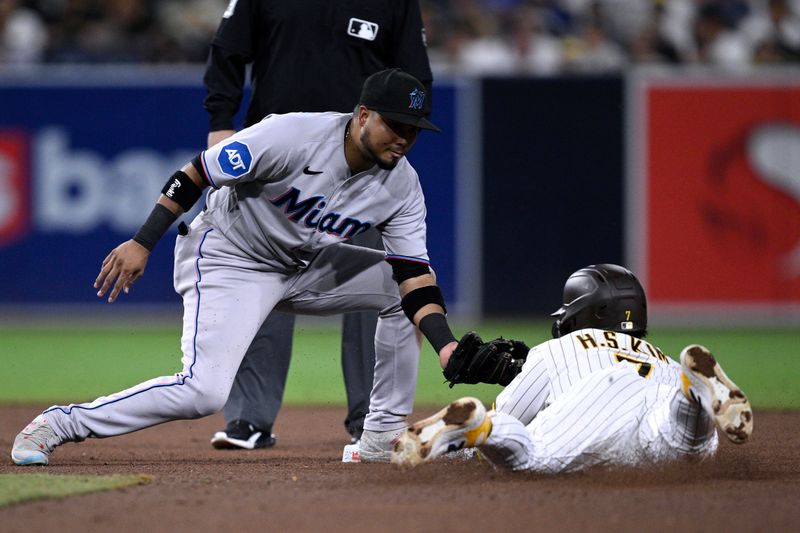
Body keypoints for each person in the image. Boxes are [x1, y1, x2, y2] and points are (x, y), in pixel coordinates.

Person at [11, 68, 459, 466]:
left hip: (305, 265)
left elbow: (413, 276)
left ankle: (381, 436)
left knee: (402, 293)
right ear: (363, 115)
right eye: (394, 125)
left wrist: (446, 346)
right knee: (203, 391)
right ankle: (60, 423)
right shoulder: (292, 136)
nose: (403, 138)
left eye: (413, 130)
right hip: (231, 256)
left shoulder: (403, 186)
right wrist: (143, 240)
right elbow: (193, 174)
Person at [203, 0, 434, 450]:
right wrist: (220, 121)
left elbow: (416, 80)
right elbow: (227, 49)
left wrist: (396, 140)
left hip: (359, 170)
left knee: (377, 288)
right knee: (260, 278)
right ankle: (249, 417)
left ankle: (372, 419)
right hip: (279, 165)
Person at [393, 264, 754, 472]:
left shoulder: (557, 349)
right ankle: (691, 395)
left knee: (530, 455)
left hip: (595, 404)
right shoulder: (661, 357)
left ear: (582, 313)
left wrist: (480, 438)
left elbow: (514, 412)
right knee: (686, 442)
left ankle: (479, 426)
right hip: (661, 392)